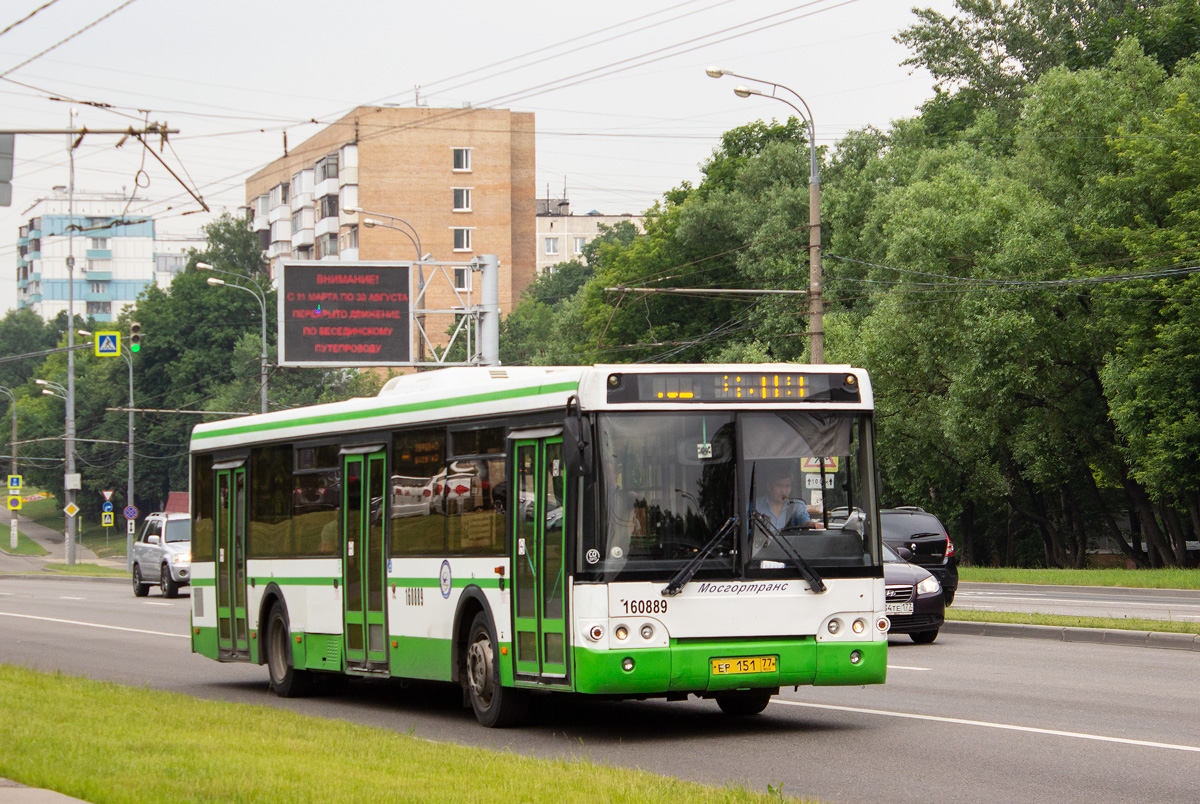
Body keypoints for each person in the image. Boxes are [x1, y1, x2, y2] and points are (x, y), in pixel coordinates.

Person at [751, 467, 816, 531]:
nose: (783, 491)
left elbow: (804, 521)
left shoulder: (797, 506)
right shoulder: (755, 506)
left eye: (787, 486)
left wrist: (811, 524)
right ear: (769, 486)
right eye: (779, 486)